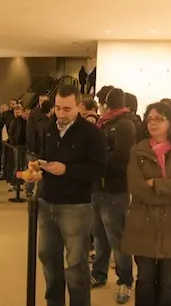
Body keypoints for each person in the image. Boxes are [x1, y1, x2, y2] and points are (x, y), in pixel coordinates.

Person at [122, 102, 171, 306]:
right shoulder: (138, 151)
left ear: (170, 123)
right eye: (150, 119)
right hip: (142, 223)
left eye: (158, 118)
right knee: (145, 279)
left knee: (167, 282)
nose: (152, 123)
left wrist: (155, 183)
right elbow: (137, 188)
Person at [37, 85, 106, 306]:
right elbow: (44, 157)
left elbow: (98, 169)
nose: (61, 114)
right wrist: (38, 170)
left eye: (67, 109)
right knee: (48, 258)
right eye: (57, 108)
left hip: (76, 206)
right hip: (47, 202)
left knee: (76, 264)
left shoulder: (92, 133)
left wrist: (67, 169)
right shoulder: (50, 128)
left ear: (79, 107)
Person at [90, 87, 136, 304]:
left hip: (114, 190)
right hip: (98, 188)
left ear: (106, 104)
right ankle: (98, 274)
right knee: (99, 235)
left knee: (117, 239)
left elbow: (121, 157)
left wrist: (98, 159)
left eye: (100, 102)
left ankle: (125, 281)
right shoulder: (105, 123)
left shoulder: (125, 125)